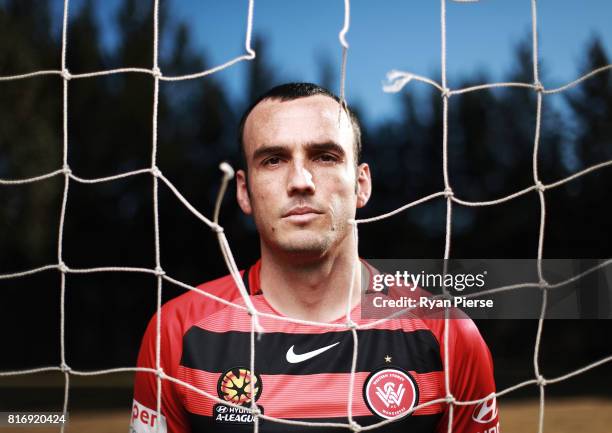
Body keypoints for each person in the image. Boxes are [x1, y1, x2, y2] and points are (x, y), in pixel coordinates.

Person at [130, 83, 499, 433]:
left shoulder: (446, 333)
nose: (300, 180)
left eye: (324, 156)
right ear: (244, 192)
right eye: (273, 160)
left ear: (362, 183)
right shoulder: (178, 333)